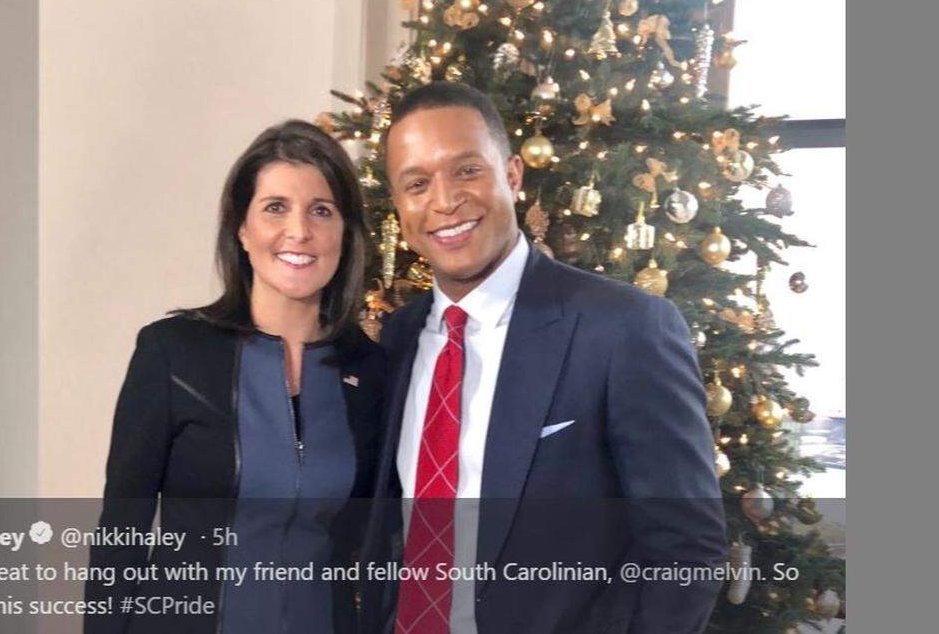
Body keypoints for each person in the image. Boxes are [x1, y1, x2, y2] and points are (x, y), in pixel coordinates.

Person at [360, 82, 727, 634]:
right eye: (417, 183)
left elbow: (686, 552)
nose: (443, 201)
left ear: (511, 175)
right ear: (400, 206)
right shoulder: (398, 338)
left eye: (466, 170)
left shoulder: (624, 329)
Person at [84, 120, 386, 634]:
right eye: (275, 208)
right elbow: (121, 533)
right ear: (242, 229)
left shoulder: (372, 371)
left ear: (345, 233)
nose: (299, 231)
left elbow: (376, 544)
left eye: (322, 210)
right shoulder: (172, 352)